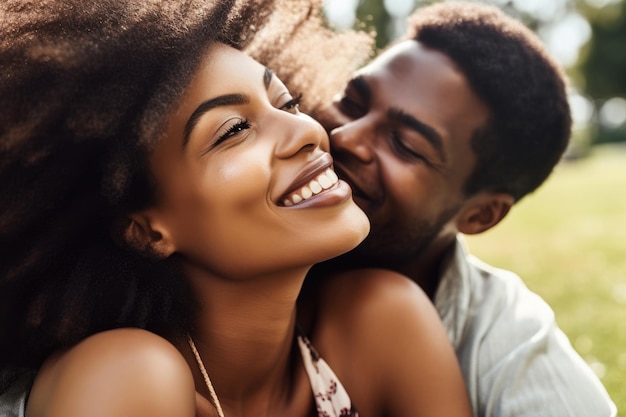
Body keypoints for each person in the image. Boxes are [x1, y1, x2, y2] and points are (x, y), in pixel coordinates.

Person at [0, 0, 473, 416]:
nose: (308, 132)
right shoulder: (128, 374)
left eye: (287, 103)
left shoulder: (382, 319)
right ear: (147, 230)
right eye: (233, 131)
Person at [300, 2, 618, 417]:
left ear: (480, 216)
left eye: (405, 145)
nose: (345, 137)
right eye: (353, 102)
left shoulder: (517, 361)